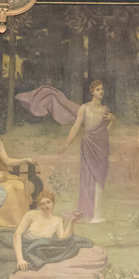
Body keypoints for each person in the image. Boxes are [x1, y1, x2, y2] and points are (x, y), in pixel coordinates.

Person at [57, 79, 116, 221]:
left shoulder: (106, 109)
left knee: (99, 177)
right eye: (97, 89)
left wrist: (113, 120)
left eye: (102, 89)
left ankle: (98, 214)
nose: (101, 91)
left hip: (102, 146)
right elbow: (76, 126)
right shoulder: (84, 108)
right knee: (88, 176)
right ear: (92, 92)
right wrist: (67, 142)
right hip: (88, 145)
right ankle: (88, 213)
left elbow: (107, 131)